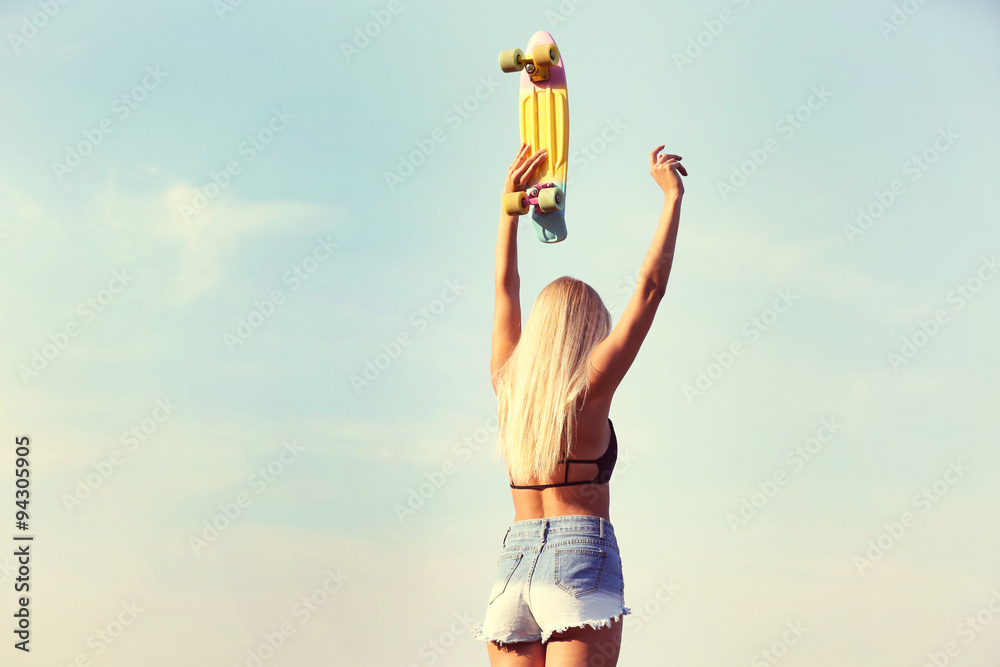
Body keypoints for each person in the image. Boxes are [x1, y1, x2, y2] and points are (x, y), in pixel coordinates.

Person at [470, 142, 687, 665]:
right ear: (589, 331)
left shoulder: (509, 388)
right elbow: (650, 289)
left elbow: (504, 289)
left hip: (513, 566)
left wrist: (509, 208)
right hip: (579, 560)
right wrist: (672, 198)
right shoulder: (589, 390)